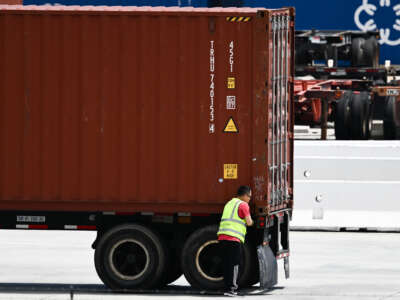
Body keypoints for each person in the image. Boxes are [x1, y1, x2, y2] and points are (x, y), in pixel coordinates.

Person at [217, 185, 254, 297]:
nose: (249, 199)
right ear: (244, 195)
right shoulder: (243, 205)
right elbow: (248, 222)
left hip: (222, 237)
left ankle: (227, 288)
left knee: (227, 264)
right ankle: (231, 290)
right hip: (233, 239)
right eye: (249, 196)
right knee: (234, 265)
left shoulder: (229, 203)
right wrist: (253, 222)